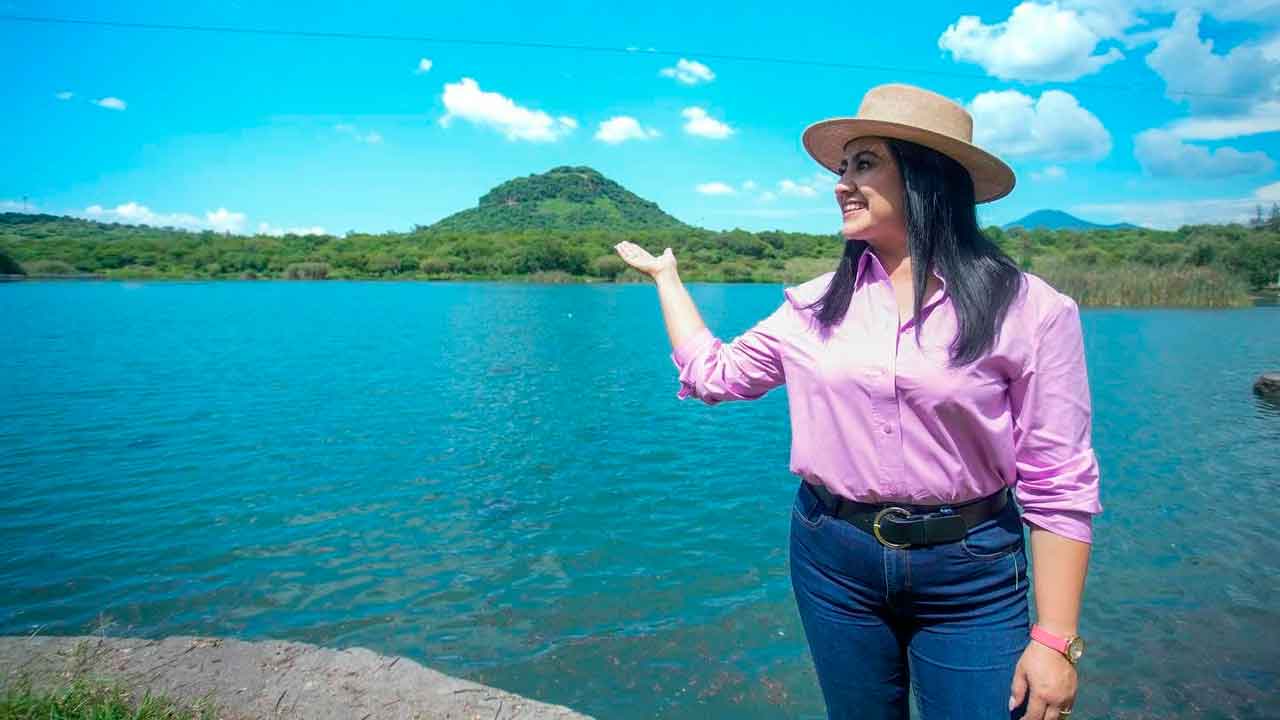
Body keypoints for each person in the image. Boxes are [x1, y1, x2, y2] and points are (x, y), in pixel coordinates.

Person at [613, 83, 1100, 720]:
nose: (841, 183)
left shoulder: (1030, 309)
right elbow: (715, 374)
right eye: (842, 168)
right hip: (832, 559)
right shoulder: (814, 306)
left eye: (864, 164)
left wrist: (1056, 640)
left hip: (972, 571)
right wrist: (666, 279)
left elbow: (1058, 479)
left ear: (927, 177)